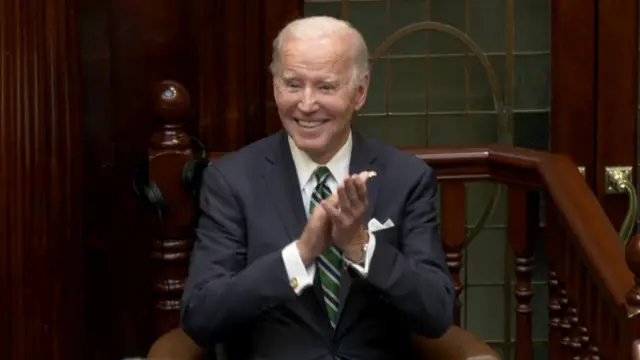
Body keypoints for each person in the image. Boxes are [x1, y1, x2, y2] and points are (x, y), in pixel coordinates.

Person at [180, 15, 455, 360]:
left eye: (325, 87)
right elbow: (201, 316)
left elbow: (437, 313)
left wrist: (361, 246)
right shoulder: (232, 181)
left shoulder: (406, 178)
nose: (306, 104)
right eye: (293, 84)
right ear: (275, 86)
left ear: (360, 92)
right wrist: (300, 256)